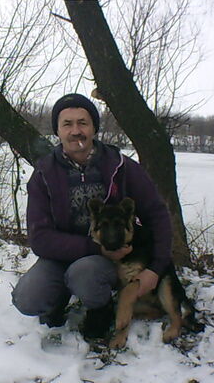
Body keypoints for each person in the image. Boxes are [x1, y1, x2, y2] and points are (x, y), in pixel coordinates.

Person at [11, 93, 173, 339]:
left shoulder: (121, 166)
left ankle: (101, 308)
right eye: (67, 124)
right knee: (28, 298)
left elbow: (157, 215)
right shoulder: (44, 173)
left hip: (109, 260)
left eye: (83, 123)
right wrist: (93, 247)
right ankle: (58, 298)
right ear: (57, 131)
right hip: (62, 256)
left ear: (94, 128)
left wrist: (155, 268)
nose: (76, 131)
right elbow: (40, 238)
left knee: (84, 273)